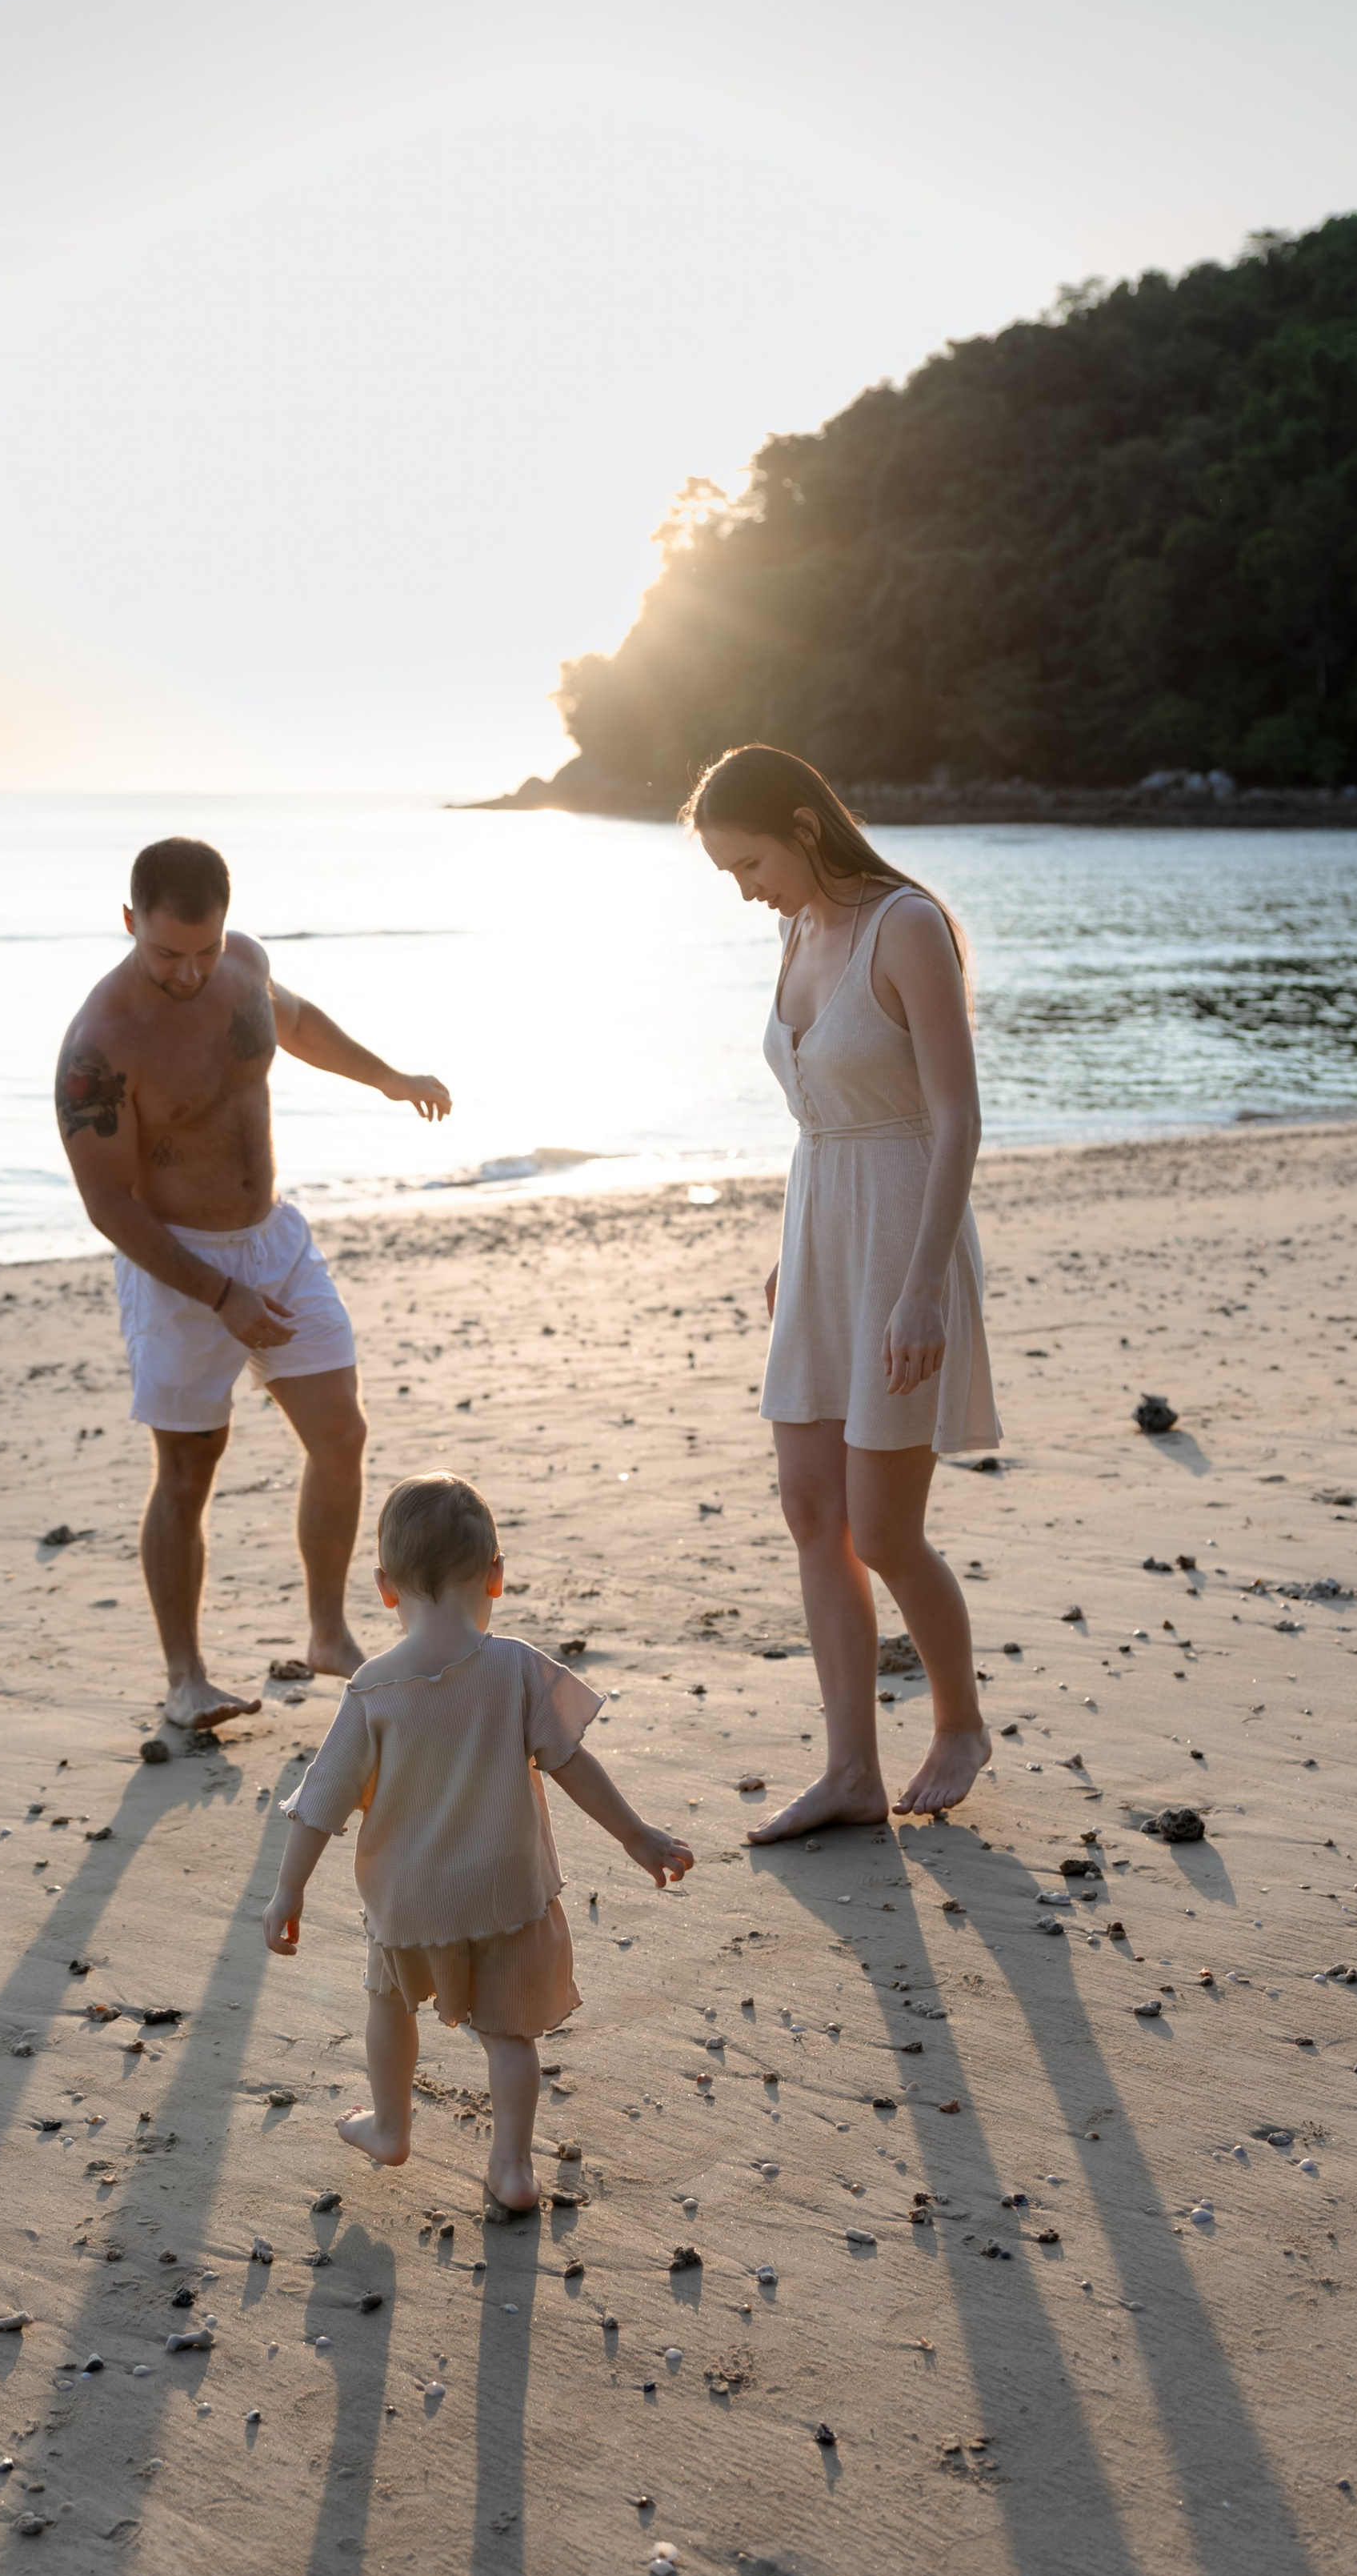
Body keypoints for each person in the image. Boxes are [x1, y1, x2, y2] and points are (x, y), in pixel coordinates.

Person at [54, 834, 451, 1740]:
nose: (189, 974)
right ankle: (186, 1678)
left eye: (204, 951)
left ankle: (326, 1632)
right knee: (189, 1468)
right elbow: (109, 1205)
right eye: (166, 955)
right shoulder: (101, 1043)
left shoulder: (241, 965)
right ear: (128, 924)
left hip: (271, 1239)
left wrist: (387, 1078)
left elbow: (295, 1022)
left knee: (340, 1431)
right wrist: (217, 1294)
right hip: (173, 1262)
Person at [687, 744, 1000, 1832]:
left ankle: (959, 1722)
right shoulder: (793, 929)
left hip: (906, 1238)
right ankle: (853, 1773)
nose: (744, 888)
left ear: (805, 830)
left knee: (885, 1531)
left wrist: (923, 1291)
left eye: (750, 861)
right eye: (728, 871)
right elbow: (821, 1109)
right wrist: (796, 1247)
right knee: (810, 1508)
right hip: (822, 1230)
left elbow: (955, 1117)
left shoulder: (903, 926)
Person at [262, 1472, 695, 2212]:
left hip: (411, 1897)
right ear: (497, 1573)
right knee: (508, 2035)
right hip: (506, 1890)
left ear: (385, 1588)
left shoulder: (372, 1690)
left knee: (389, 2005)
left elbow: (321, 1805)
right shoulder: (518, 1668)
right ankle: (513, 2169)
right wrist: (637, 1836)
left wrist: (287, 1890)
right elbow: (570, 1763)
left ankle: (391, 2126)